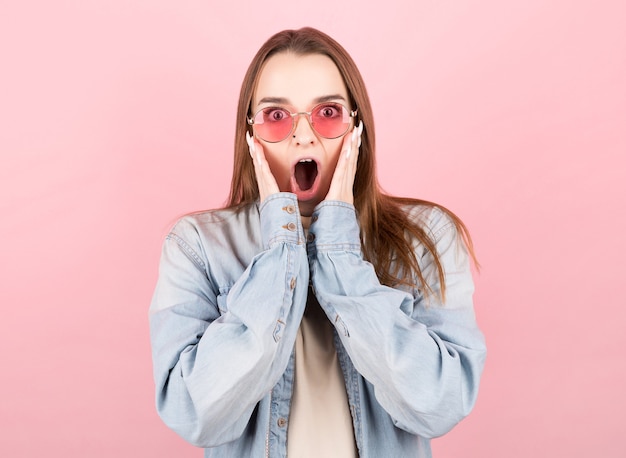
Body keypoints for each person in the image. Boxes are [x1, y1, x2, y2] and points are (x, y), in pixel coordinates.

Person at [149, 27, 486, 458]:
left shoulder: (428, 236)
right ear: (249, 134)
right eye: (276, 116)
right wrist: (282, 248)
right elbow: (193, 413)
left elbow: (441, 404)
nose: (304, 136)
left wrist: (339, 253)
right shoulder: (197, 246)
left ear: (356, 127)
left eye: (327, 112)